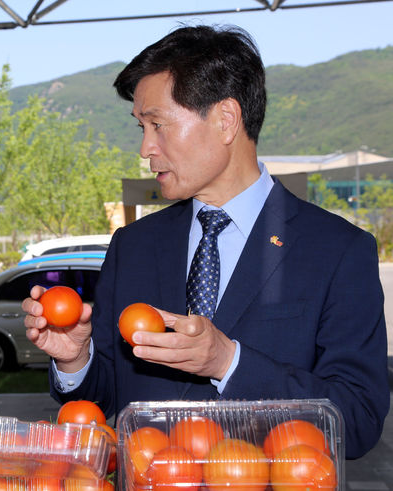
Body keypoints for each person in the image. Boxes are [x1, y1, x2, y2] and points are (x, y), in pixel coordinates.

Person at [22, 25, 389, 459]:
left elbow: (359, 420)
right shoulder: (133, 246)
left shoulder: (337, 250)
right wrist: (75, 359)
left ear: (225, 120)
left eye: (157, 124)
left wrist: (229, 363)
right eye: (141, 127)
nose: (145, 148)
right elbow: (106, 398)